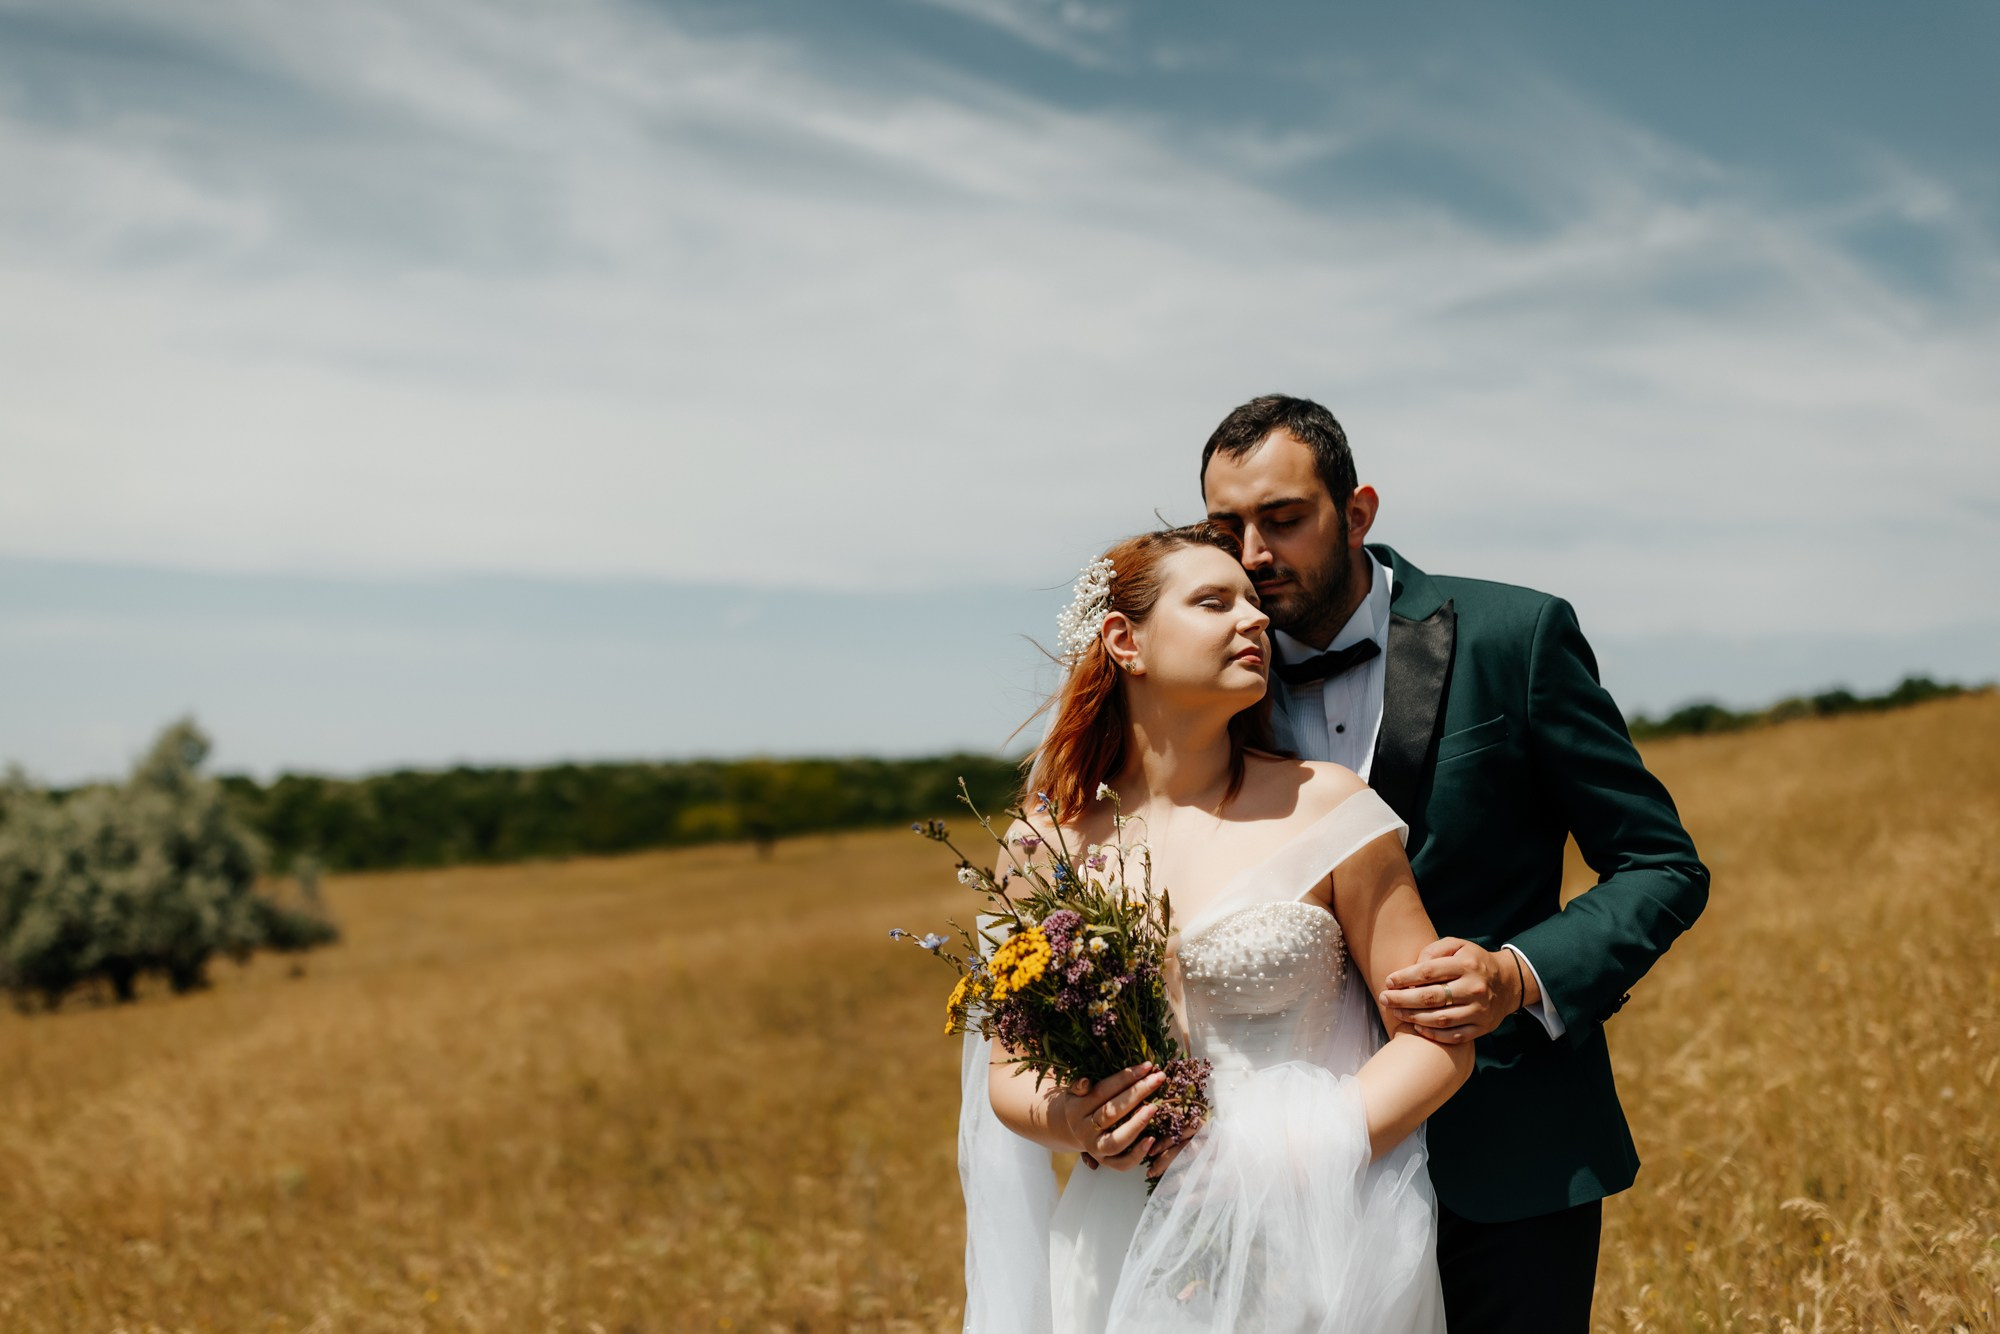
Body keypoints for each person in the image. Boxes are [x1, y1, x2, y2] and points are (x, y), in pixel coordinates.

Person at [1198, 394, 1710, 1334]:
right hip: (1293, 1182)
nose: (1253, 555)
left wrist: (1518, 976)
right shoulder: (1206, 678)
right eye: (1225, 528)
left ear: (1357, 512)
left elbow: (1660, 864)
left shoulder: (1517, 637)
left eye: (1283, 519)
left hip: (1507, 1155)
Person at [958, 521, 1470, 1332]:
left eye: (1255, 604)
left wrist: (1294, 1159)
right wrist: (1073, 1119)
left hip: (1312, 1231)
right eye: (1213, 601)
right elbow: (1009, 1072)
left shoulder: (1328, 806)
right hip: (1120, 1235)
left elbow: (1438, 1037)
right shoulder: (1043, 841)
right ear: (1125, 640)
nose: (1256, 619)